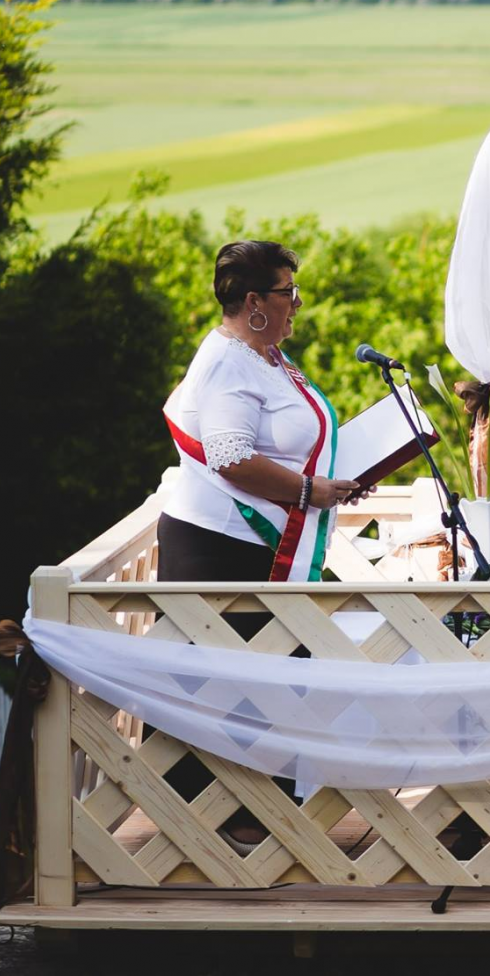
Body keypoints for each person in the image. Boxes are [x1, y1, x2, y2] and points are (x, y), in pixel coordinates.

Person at [157, 240, 369, 852]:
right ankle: (227, 828)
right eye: (287, 292)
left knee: (266, 680)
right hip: (221, 544)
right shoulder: (229, 363)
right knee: (233, 686)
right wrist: (310, 490)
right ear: (253, 302)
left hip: (246, 538)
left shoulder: (262, 355)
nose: (297, 303)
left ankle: (259, 818)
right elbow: (229, 456)